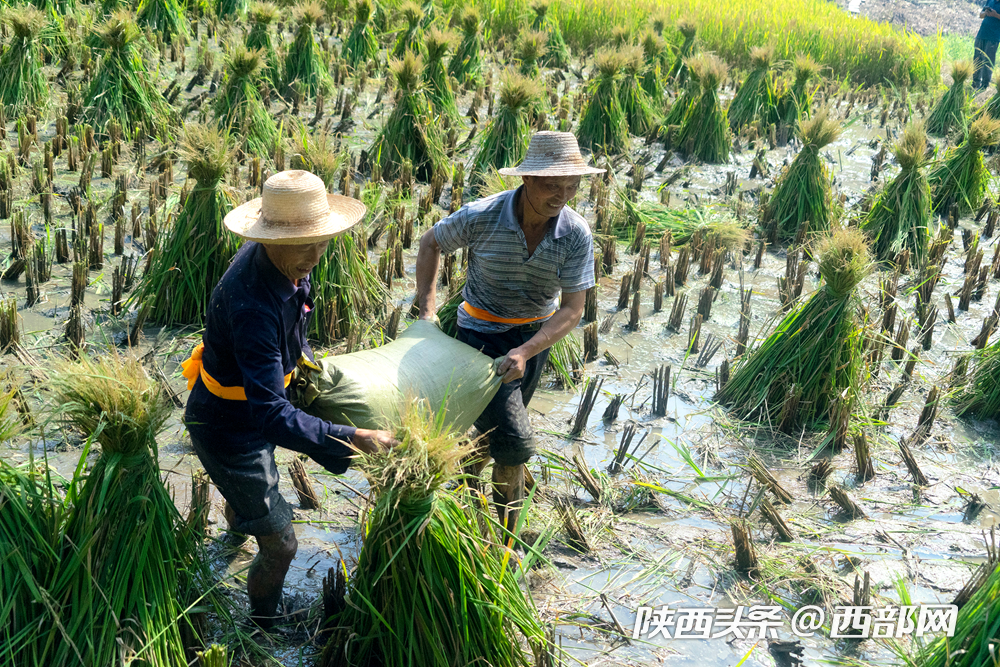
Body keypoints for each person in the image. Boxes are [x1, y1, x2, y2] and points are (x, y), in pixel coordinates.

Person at [182, 170, 396, 629]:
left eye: (322, 241)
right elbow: (272, 417)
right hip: (228, 428)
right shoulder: (253, 305)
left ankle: (240, 526)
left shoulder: (286, 263)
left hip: (251, 405)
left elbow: (292, 336)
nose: (315, 255)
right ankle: (262, 626)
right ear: (269, 237)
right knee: (282, 545)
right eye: (305, 245)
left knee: (252, 502)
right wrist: (353, 437)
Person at [415, 131, 603, 535]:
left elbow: (572, 309)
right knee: (516, 443)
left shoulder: (575, 234)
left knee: (492, 432)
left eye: (571, 186)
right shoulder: (482, 215)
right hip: (479, 340)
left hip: (535, 340)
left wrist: (527, 350)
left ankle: (459, 486)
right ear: (527, 180)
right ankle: (506, 543)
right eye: (553, 186)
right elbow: (430, 243)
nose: (563, 196)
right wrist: (427, 311)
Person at [974, 0, 1000, 90]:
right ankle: (975, 82)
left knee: (988, 61)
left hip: (993, 37)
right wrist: (986, 13)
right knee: (977, 58)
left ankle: (985, 85)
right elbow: (981, 15)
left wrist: (996, 15)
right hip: (981, 34)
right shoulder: (990, 1)